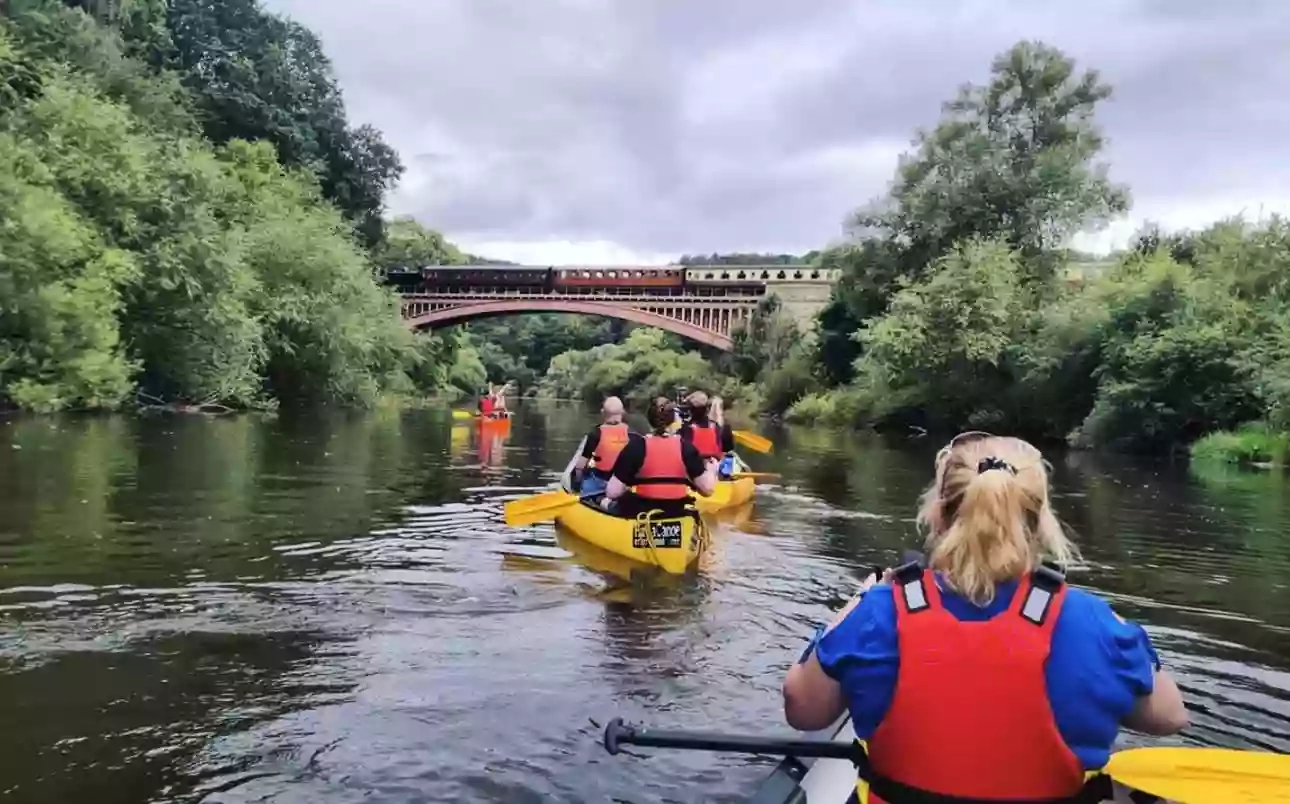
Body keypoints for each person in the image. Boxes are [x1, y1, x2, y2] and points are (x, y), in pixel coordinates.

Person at [782, 432, 1187, 803]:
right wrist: (1113, 627)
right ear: (1040, 521)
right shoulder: (1091, 620)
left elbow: (803, 710)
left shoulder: (878, 610)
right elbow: (1170, 716)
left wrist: (859, 600)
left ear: (939, 515)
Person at [601, 397, 717, 518]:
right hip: (676, 512)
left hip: (642, 513)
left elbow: (612, 492)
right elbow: (707, 490)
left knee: (606, 502)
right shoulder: (686, 448)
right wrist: (711, 469)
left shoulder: (636, 447)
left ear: (649, 419)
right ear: (673, 419)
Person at [570, 396, 633, 497]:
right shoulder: (631, 434)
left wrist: (576, 483)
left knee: (585, 474)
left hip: (598, 482)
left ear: (602, 412)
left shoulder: (596, 433)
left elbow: (580, 466)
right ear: (623, 412)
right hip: (622, 484)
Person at [679, 391, 736, 471]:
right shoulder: (719, 428)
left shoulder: (686, 429)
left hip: (695, 471)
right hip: (715, 468)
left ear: (690, 410)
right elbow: (728, 452)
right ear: (707, 409)